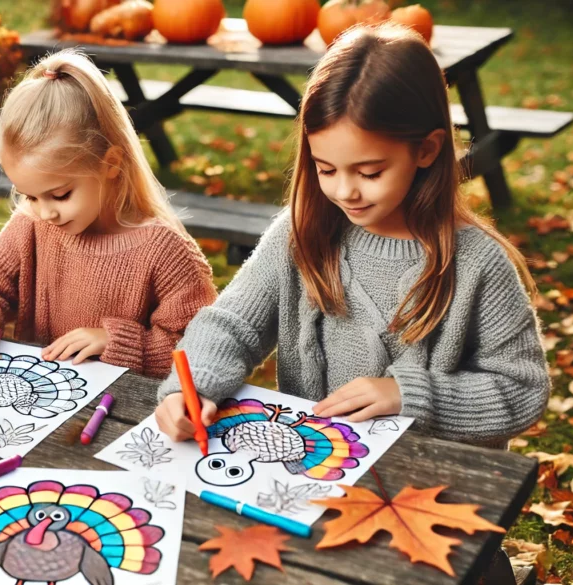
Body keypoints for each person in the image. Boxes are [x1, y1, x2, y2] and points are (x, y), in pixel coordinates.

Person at [155, 23, 549, 449]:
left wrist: (410, 395)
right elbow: (232, 325)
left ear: (427, 150)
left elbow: (522, 389)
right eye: (326, 169)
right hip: (312, 463)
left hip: (427, 481)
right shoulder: (300, 232)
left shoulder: (477, 264)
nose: (345, 191)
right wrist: (191, 387)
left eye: (370, 172)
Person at [0, 50, 217, 377]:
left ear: (110, 164)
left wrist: (117, 342)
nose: (45, 211)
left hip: (122, 416)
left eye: (60, 195)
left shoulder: (166, 252)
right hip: (39, 409)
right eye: (29, 196)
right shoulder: (33, 224)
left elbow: (202, 347)